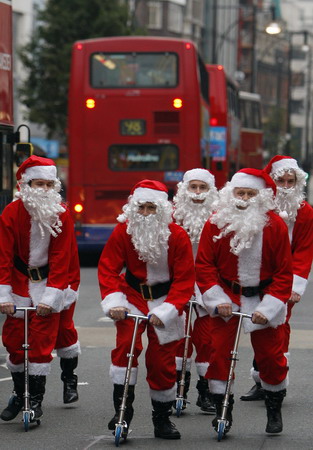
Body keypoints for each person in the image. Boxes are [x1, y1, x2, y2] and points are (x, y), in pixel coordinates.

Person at [195, 168, 293, 435]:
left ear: (260, 197)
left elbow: (284, 273)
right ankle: (222, 410)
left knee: (272, 358)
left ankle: (273, 408)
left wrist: (269, 307)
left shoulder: (275, 225)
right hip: (227, 297)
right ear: (231, 193)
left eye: (251, 194)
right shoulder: (215, 223)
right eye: (241, 193)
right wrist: (216, 298)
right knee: (217, 354)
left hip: (264, 297)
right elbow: (204, 265)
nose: (245, 198)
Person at [98, 179, 195, 440]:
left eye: (151, 208)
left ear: (161, 210)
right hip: (131, 296)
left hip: (166, 299)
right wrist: (115, 301)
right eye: (140, 208)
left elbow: (185, 279)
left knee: (162, 361)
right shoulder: (123, 232)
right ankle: (122, 412)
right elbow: (108, 268)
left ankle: (161, 419)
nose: (144, 214)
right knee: (125, 350)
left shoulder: (178, 236)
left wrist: (167, 310)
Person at [0, 155, 79, 422]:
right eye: (38, 183)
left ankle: (34, 402)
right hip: (19, 284)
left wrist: (52, 295)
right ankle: (19, 393)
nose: (44, 189)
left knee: (40, 345)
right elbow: (3, 256)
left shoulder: (62, 215)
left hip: (48, 283)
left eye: (48, 184)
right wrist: (4, 293)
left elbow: (62, 258)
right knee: (13, 342)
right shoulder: (11, 212)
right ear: (26, 184)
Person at [241, 155, 313, 401]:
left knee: (278, 328)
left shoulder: (305, 213)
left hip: (285, 281)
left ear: (297, 183)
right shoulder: (260, 209)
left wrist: (295, 285)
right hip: (257, 278)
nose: (285, 186)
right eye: (280, 181)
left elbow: (304, 251)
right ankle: (262, 379)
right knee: (259, 328)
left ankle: (272, 381)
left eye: (289, 182)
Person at [172, 168, 218, 413]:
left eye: (203, 188)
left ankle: (205, 391)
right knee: (178, 338)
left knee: (207, 340)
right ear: (184, 190)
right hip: (178, 285)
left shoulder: (220, 216)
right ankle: (178, 389)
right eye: (193, 187)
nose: (198, 193)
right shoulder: (171, 215)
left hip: (209, 287)